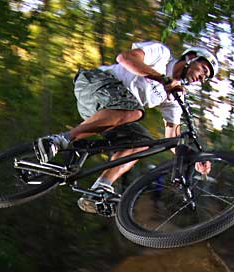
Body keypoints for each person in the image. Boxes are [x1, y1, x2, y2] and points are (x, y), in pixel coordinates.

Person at [34, 42, 218, 213]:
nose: (202, 78)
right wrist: (161, 78)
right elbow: (125, 58)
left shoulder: (174, 97)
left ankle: (98, 189)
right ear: (190, 57)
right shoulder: (161, 55)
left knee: (142, 143)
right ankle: (58, 140)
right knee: (135, 112)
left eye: (206, 78)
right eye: (203, 69)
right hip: (94, 83)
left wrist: (193, 158)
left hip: (109, 111)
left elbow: (172, 137)